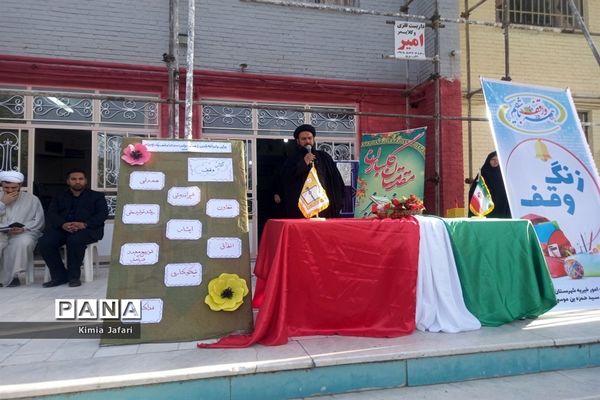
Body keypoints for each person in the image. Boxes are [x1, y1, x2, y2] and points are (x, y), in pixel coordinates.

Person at [38, 169, 108, 287]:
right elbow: (52, 213)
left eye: (80, 179)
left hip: (87, 229)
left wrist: (84, 224)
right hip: (63, 229)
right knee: (45, 242)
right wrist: (63, 224)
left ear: (85, 181)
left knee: (75, 240)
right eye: (74, 179)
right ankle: (59, 276)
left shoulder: (97, 196)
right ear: (68, 181)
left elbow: (102, 215)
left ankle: (73, 277)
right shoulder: (59, 196)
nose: (77, 181)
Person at [280, 124, 345, 218]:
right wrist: (303, 163)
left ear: (313, 139)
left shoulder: (324, 157)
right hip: (301, 210)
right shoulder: (292, 159)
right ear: (298, 141)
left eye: (309, 138)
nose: (307, 141)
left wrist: (338, 202)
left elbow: (336, 180)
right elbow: (286, 179)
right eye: (303, 139)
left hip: (324, 208)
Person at [0, 171, 44, 287]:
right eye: (6, 187)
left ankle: (13, 276)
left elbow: (39, 220)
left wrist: (24, 228)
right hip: (1, 233)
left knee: (23, 242)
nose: (10, 190)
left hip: (24, 233)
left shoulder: (32, 199)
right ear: (1, 185)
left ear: (20, 185)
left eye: (14, 187)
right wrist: (2, 203)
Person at [468, 151, 511, 218]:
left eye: (497, 160)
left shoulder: (503, 174)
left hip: (501, 209)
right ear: (488, 160)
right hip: (486, 208)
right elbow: (474, 191)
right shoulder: (483, 173)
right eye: (493, 159)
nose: (495, 162)